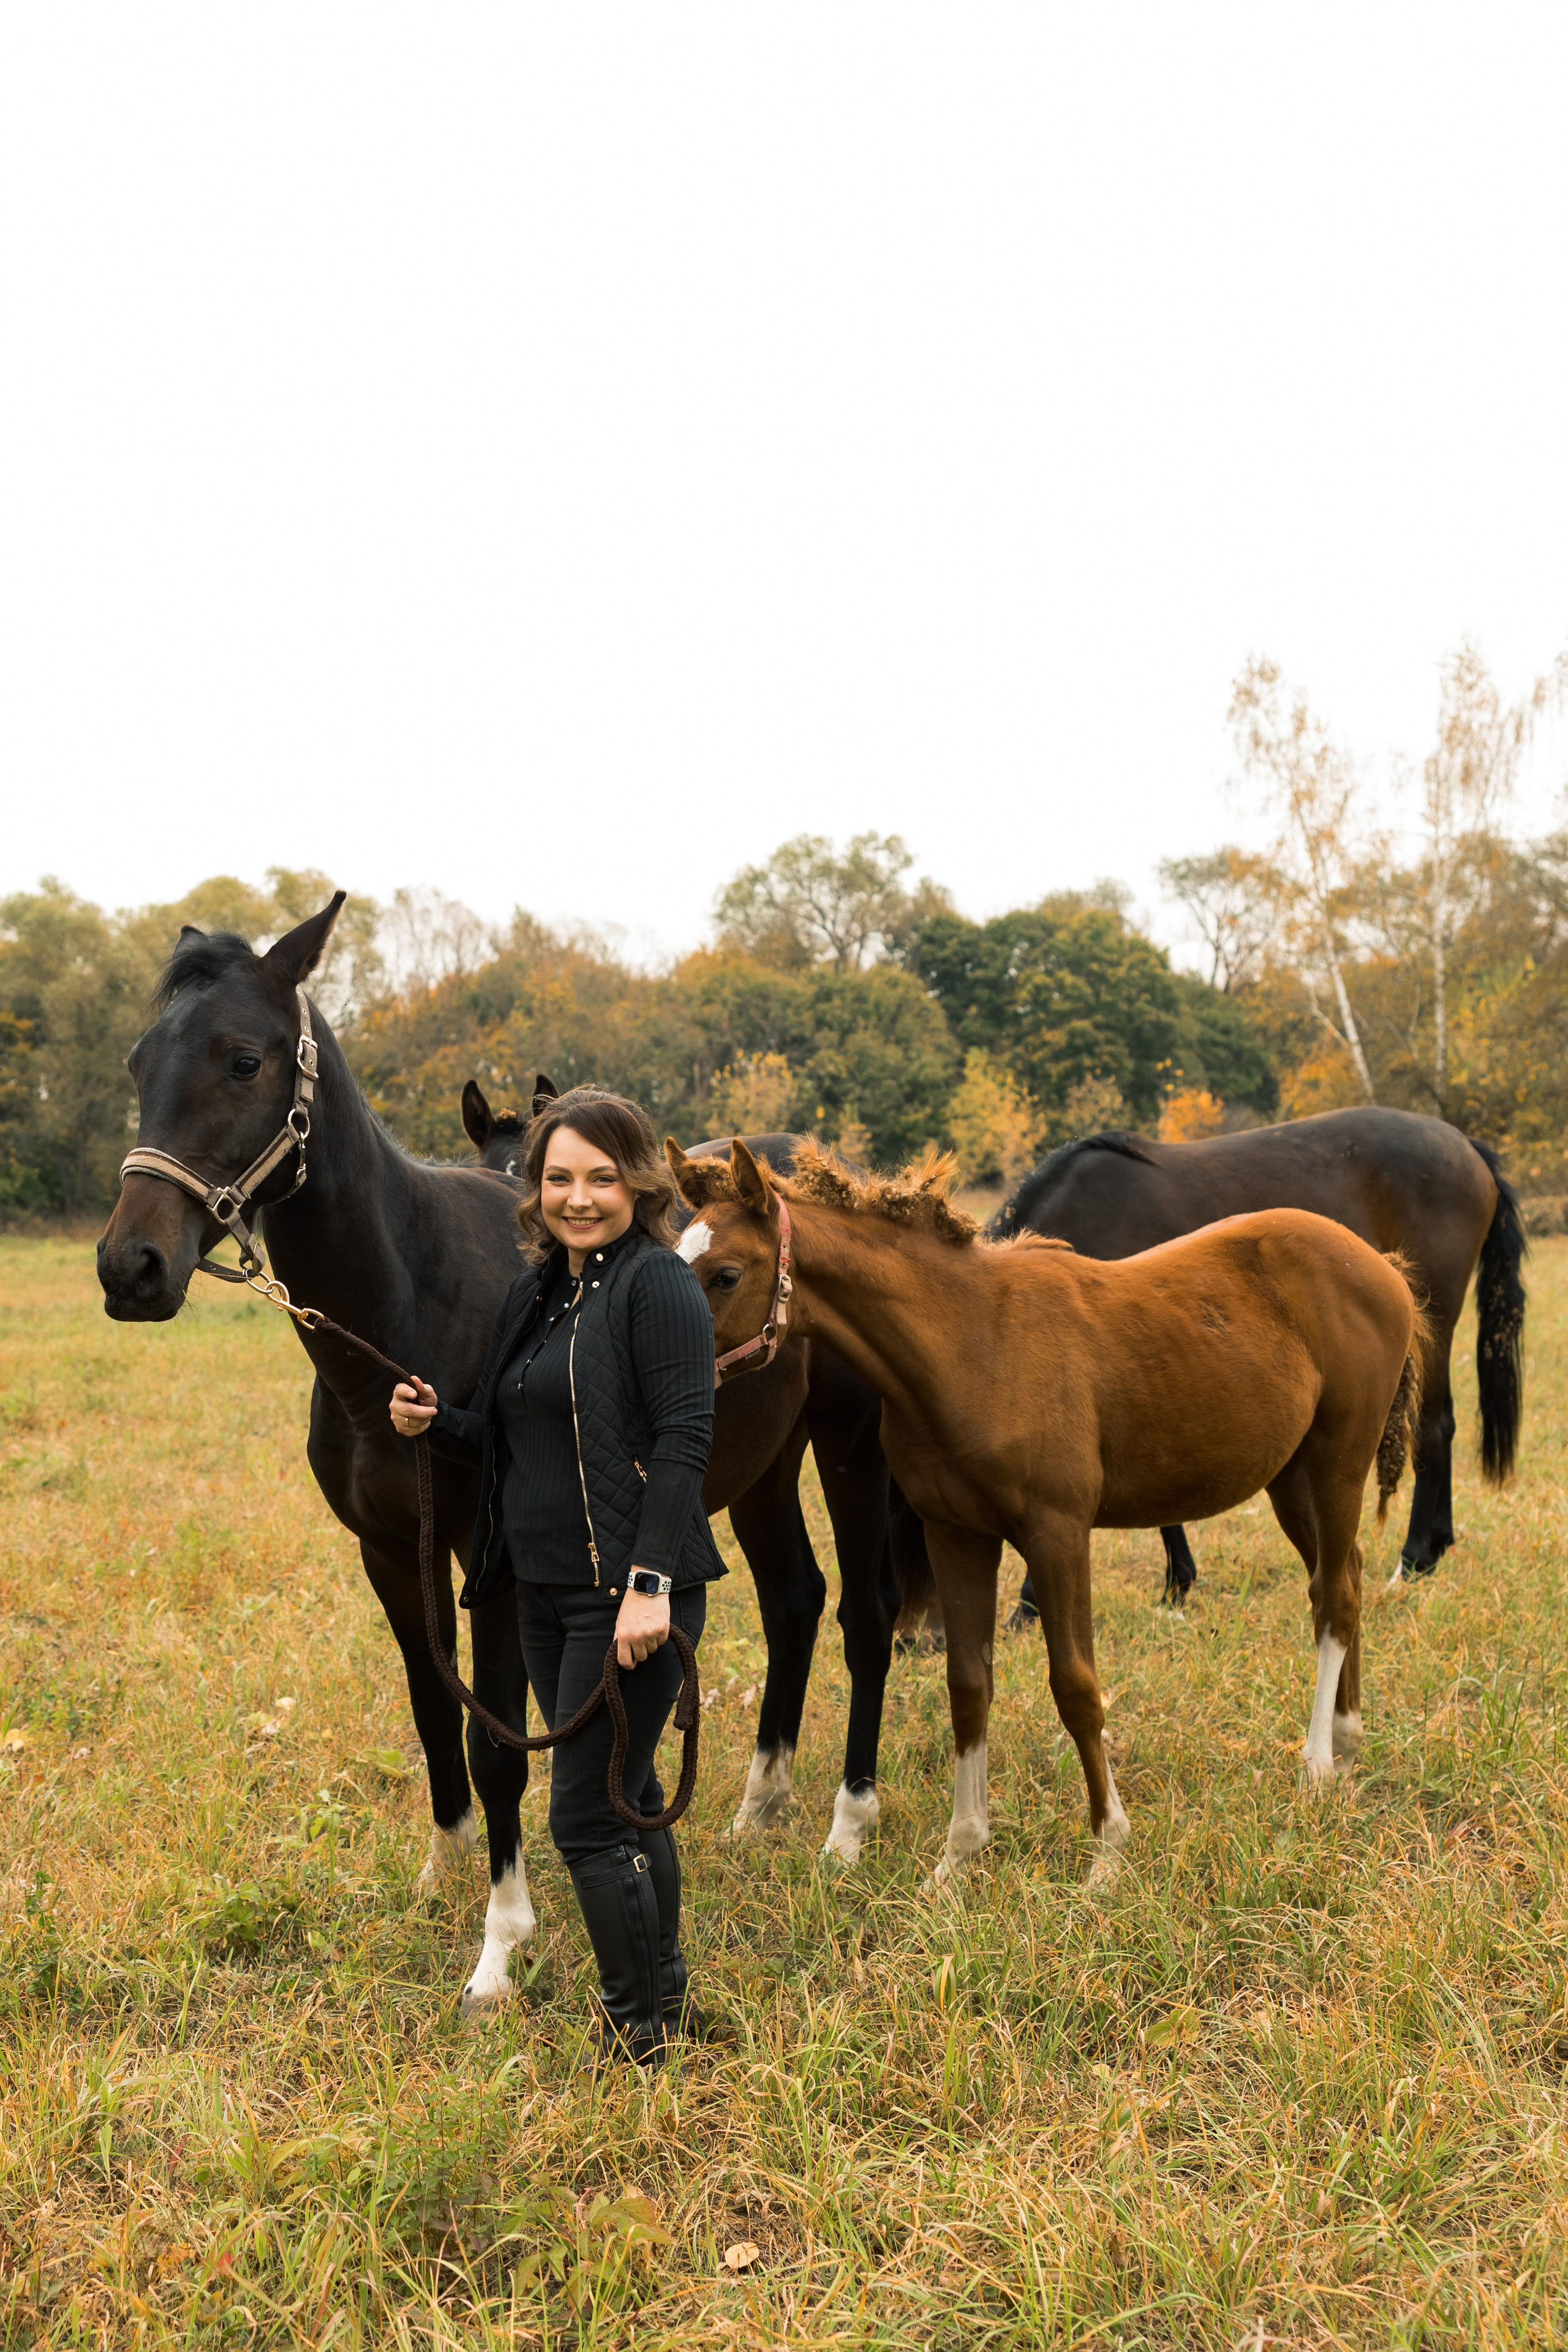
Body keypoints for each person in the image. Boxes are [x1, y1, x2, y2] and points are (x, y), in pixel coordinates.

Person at [388, 1086, 724, 2067]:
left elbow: (684, 1440)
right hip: (541, 1589)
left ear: (639, 1183)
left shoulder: (655, 1285)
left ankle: (637, 2038)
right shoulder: (543, 1289)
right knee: (626, 1791)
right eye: (559, 1178)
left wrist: (650, 1583)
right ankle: (663, 2001)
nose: (579, 1198)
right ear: (533, 1190)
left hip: (628, 1590)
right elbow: (510, 1432)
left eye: (602, 1178)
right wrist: (435, 1422)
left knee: (583, 1814)